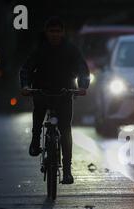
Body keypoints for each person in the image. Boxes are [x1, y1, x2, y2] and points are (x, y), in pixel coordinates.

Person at [20, 17, 89, 184]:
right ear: (46, 32)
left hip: (64, 93)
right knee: (38, 118)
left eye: (58, 31)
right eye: (52, 31)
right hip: (42, 92)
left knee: (65, 130)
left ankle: (67, 170)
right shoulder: (39, 49)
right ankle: (35, 141)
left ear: (62, 32)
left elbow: (82, 68)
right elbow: (26, 68)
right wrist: (25, 86)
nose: (55, 34)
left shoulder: (71, 50)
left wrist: (82, 86)